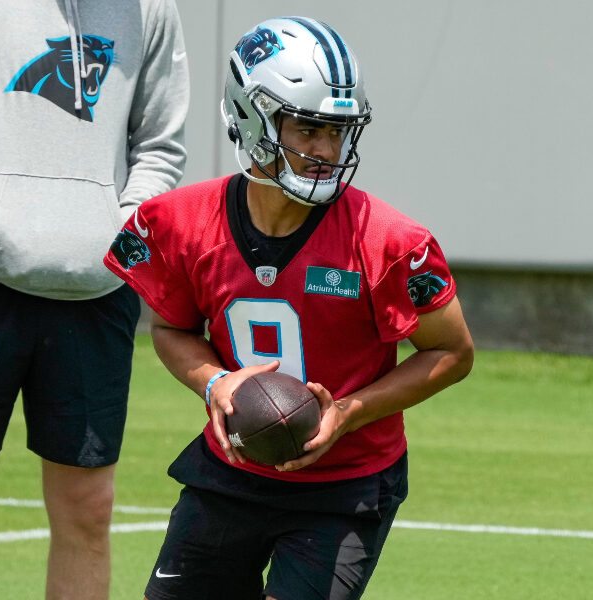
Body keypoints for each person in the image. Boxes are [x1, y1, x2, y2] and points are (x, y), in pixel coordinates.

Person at [103, 16, 474, 600]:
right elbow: (172, 330)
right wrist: (217, 384)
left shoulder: (390, 242)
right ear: (250, 116)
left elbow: (453, 352)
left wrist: (349, 411)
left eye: (338, 131)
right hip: (231, 472)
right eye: (309, 129)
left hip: (347, 482)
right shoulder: (180, 222)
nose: (328, 150)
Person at [0, 0, 189, 598]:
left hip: (96, 292)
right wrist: (0, 222)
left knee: (87, 510)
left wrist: (116, 229)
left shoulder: (149, 8)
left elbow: (161, 147)